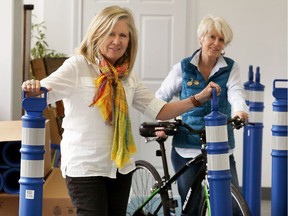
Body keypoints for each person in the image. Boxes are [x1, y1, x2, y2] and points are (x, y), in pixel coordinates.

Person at [22, 6, 221, 216]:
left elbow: (159, 110)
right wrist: (33, 87)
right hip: (85, 165)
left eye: (123, 35)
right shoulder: (77, 66)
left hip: (120, 167)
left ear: (129, 41)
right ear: (97, 34)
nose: (117, 41)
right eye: (111, 33)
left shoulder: (128, 77)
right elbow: (42, 92)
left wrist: (197, 99)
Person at [155, 14, 249, 214]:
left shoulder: (230, 67)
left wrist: (240, 110)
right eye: (212, 37)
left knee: (231, 205)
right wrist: (160, 124)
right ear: (201, 38)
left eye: (221, 39)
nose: (216, 43)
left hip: (221, 145)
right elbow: (160, 97)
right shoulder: (183, 67)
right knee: (192, 205)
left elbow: (236, 92)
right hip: (186, 147)